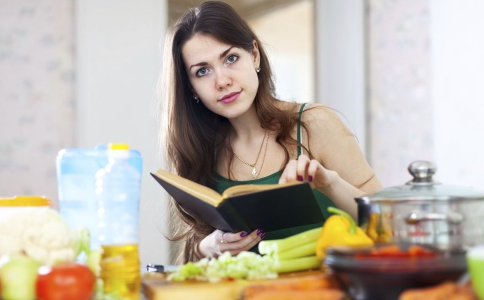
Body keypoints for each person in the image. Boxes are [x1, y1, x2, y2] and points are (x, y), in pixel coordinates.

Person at [159, 1, 382, 263]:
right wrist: (208, 247)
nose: (222, 81)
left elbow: (386, 224)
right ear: (191, 88)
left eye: (231, 58)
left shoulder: (314, 124)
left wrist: (330, 183)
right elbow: (190, 265)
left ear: (254, 55)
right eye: (202, 71)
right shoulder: (201, 151)